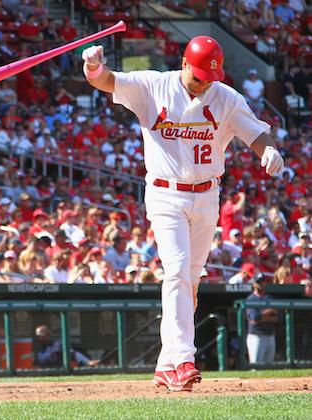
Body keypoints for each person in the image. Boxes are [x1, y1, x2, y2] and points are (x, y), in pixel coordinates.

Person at [82, 36, 284, 392]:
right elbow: (105, 80)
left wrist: (268, 152)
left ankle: (164, 363)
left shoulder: (226, 97)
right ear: (184, 63)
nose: (206, 81)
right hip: (165, 195)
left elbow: (256, 135)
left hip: (208, 197)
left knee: (189, 283)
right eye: (200, 75)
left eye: (212, 75)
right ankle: (183, 359)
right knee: (175, 273)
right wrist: (93, 65)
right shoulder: (153, 86)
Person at [245, 274, 277, 365]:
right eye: (259, 282)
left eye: (263, 281)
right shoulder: (251, 299)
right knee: (256, 366)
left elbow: (278, 318)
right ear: (254, 284)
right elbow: (254, 318)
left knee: (269, 367)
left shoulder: (270, 298)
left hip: (270, 335)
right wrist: (269, 312)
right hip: (256, 336)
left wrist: (262, 317)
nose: (261, 284)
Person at [34, 325, 98, 368]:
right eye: (38, 336)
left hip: (57, 374)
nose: (40, 338)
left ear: (48, 335)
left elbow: (74, 353)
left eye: (42, 335)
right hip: (42, 375)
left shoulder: (57, 345)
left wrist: (88, 362)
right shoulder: (37, 348)